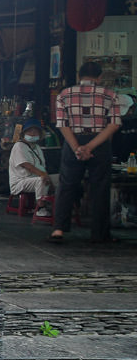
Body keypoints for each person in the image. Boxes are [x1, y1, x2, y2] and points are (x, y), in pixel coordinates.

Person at [50, 61, 122, 244]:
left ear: (79, 76)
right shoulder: (110, 95)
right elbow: (113, 124)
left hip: (72, 141)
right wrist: (90, 147)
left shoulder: (64, 95)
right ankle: (99, 234)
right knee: (100, 188)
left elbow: (62, 125)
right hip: (99, 142)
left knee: (67, 185)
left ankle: (58, 230)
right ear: (99, 77)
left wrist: (77, 148)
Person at [9, 118, 54, 216]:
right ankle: (40, 208)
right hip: (20, 181)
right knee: (41, 180)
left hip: (35, 177)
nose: (33, 133)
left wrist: (48, 177)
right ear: (24, 132)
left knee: (60, 179)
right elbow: (26, 165)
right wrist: (43, 175)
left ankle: (58, 205)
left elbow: (42, 166)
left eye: (36, 131)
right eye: (30, 131)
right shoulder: (19, 146)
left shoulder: (37, 148)